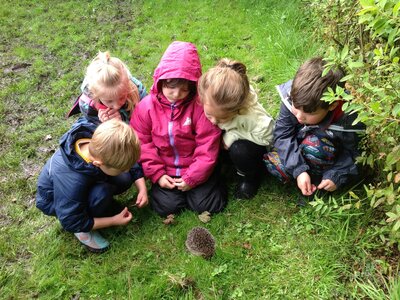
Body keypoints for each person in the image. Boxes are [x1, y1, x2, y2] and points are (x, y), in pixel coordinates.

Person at [131, 41, 227, 217]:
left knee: (208, 204)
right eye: (171, 87)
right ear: (161, 81)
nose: (176, 95)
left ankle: (209, 181)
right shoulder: (145, 108)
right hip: (166, 171)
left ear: (193, 86)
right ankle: (176, 191)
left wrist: (192, 178)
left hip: (196, 168)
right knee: (166, 207)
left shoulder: (200, 106)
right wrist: (158, 175)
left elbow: (207, 145)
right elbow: (142, 144)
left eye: (184, 90)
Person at [36, 119, 148, 253]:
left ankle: (99, 205)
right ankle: (83, 231)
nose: (126, 169)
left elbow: (126, 158)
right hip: (58, 202)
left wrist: (142, 188)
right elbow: (70, 220)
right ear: (98, 164)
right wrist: (113, 220)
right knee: (101, 193)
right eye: (122, 168)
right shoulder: (72, 180)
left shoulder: (101, 141)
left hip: (87, 178)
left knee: (124, 178)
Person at [264, 57, 365, 197]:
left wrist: (336, 175)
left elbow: (355, 153)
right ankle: (302, 176)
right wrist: (299, 170)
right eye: (296, 106)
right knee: (275, 165)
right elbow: (282, 134)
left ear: (332, 105)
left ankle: (317, 183)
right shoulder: (295, 95)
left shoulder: (350, 117)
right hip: (299, 145)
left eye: (309, 113)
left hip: (324, 150)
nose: (299, 116)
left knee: (316, 147)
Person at [198, 59, 275, 199]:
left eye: (222, 119)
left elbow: (269, 136)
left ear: (237, 110)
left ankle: (249, 177)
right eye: (209, 114)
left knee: (240, 150)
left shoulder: (251, 117)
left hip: (252, 148)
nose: (214, 121)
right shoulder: (209, 100)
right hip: (225, 143)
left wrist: (235, 134)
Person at [67, 51, 147, 124]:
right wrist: (107, 124)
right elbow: (100, 134)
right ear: (95, 94)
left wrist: (124, 121)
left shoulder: (137, 89)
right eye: (109, 101)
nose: (116, 106)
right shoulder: (88, 106)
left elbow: (148, 118)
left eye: (122, 97)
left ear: (127, 85)